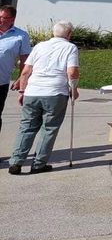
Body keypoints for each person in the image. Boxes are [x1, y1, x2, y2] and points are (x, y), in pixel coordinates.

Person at [8, 21, 79, 175]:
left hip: (33, 91)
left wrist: (22, 91)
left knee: (27, 126)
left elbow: (26, 71)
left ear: (53, 32)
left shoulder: (39, 46)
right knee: (49, 128)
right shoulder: (70, 47)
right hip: (55, 92)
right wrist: (74, 90)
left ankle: (15, 162)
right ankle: (38, 164)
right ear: (69, 34)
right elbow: (72, 72)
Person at [0, 4, 31, 136]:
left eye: (3, 18)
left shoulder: (21, 36)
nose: (0, 20)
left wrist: (20, 79)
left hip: (1, 82)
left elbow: (25, 60)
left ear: (12, 19)